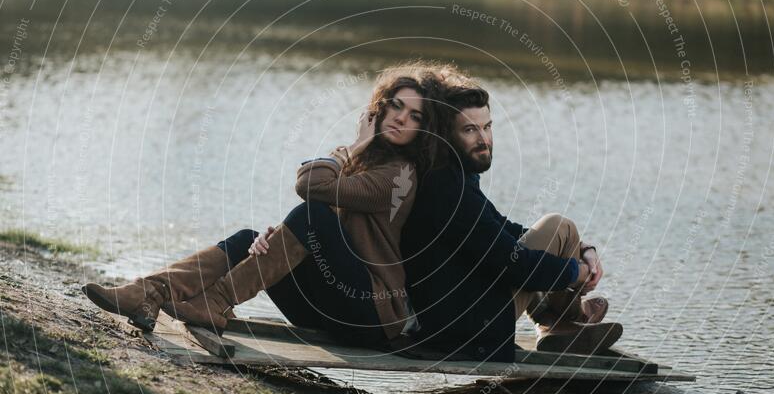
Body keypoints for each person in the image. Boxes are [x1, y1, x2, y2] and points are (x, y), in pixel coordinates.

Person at [82, 63, 446, 349]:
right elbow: (327, 229)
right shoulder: (366, 165)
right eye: (396, 106)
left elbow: (309, 185)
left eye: (414, 116)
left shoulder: (399, 174)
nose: (401, 118)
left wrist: (353, 144)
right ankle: (150, 293)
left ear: (423, 129)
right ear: (378, 110)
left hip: (372, 317)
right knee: (250, 239)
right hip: (334, 307)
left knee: (310, 214)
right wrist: (279, 242)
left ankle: (216, 302)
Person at [401, 68, 622, 362]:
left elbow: (501, 228)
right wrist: (576, 272)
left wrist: (584, 249)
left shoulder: (453, 175)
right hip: (463, 331)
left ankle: (558, 322)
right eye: (470, 130)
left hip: (458, 311)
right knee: (556, 230)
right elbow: (514, 264)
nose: (484, 139)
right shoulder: (447, 188)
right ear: (446, 135)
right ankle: (563, 320)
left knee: (561, 230)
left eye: (487, 127)